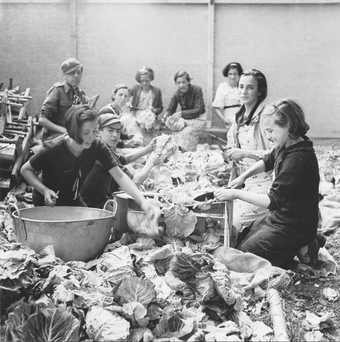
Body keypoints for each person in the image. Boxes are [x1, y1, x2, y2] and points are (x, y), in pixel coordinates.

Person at [215, 99, 320, 267]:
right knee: (244, 239)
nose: (268, 136)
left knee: (249, 254)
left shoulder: (298, 159)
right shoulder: (287, 144)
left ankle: (304, 244)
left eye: (271, 131)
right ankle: (302, 244)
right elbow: (267, 161)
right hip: (283, 215)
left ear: (290, 126)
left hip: (295, 223)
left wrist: (236, 193)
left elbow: (272, 201)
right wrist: (243, 177)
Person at [21, 105, 159, 221]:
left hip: (72, 198)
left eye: (94, 131)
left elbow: (120, 176)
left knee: (91, 227)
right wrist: (44, 190)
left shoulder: (96, 146)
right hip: (48, 202)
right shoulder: (53, 148)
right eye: (86, 132)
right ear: (74, 131)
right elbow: (25, 170)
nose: (92, 136)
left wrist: (142, 202)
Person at [224, 69, 273, 236]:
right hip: (246, 183)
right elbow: (232, 150)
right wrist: (229, 154)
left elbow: (278, 154)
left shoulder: (266, 116)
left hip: (267, 185)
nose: (243, 91)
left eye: (250, 88)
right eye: (241, 86)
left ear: (260, 91)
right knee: (221, 218)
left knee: (231, 224)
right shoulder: (239, 117)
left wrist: (245, 153)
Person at [80, 113, 158, 208]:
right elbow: (135, 181)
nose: (115, 135)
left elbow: (122, 159)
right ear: (99, 132)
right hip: (93, 207)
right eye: (110, 131)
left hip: (100, 201)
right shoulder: (99, 152)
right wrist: (153, 161)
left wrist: (148, 149)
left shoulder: (103, 148)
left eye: (118, 132)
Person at [39, 58, 88, 142]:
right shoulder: (58, 91)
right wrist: (64, 131)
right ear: (65, 75)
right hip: (55, 137)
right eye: (72, 73)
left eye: (79, 72)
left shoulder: (81, 95)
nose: (76, 76)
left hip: (73, 138)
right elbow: (42, 120)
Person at [162, 71, 206, 151]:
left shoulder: (197, 90)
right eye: (178, 83)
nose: (181, 85)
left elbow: (199, 109)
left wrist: (181, 113)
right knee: (175, 134)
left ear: (188, 82)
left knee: (186, 133)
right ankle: (180, 155)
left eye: (183, 82)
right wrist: (166, 115)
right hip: (185, 120)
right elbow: (170, 109)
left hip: (198, 119)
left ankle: (189, 154)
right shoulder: (177, 93)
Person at [212, 62, 243, 129]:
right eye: (230, 74)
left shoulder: (242, 87)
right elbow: (216, 107)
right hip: (229, 118)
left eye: (235, 74)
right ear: (227, 75)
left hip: (243, 117)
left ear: (239, 75)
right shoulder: (223, 87)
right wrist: (224, 120)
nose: (232, 77)